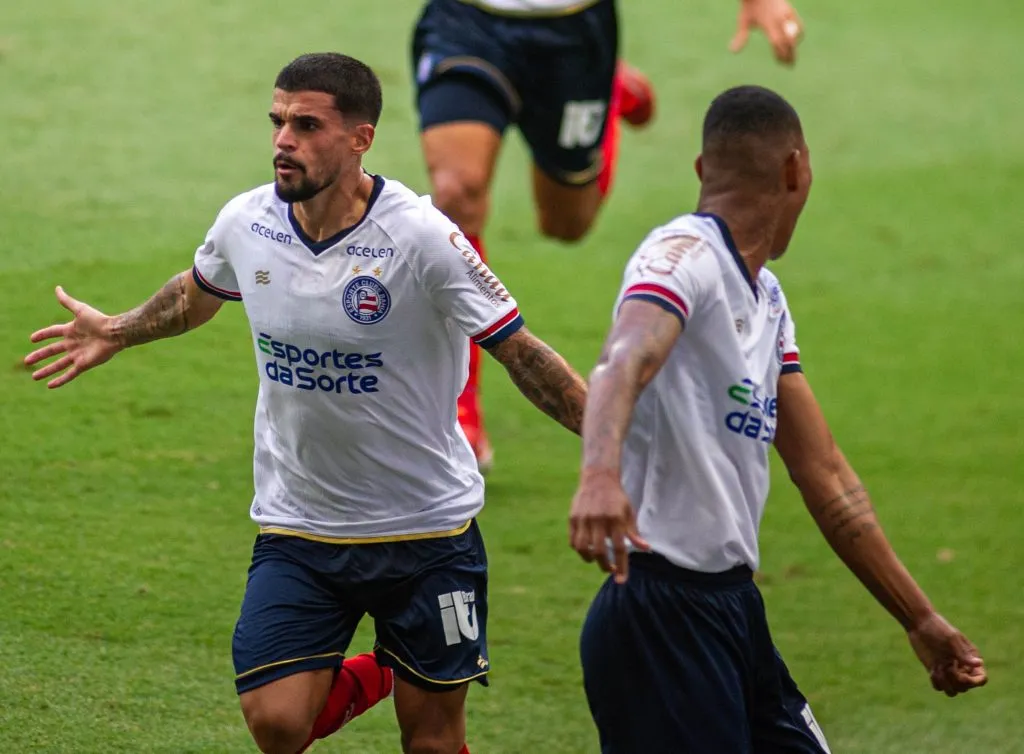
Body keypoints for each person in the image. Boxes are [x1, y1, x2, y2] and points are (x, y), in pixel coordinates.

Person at [24, 52, 587, 754]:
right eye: (278, 121)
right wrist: (116, 329)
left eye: (306, 124)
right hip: (300, 531)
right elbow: (193, 295)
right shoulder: (247, 221)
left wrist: (610, 443)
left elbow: (520, 351)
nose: (283, 140)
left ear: (360, 138)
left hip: (427, 534)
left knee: (434, 740)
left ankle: (403, 665)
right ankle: (388, 668)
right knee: (277, 723)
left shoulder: (420, 237)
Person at [567, 85, 987, 753]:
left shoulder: (765, 296)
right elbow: (623, 358)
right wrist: (598, 476)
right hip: (660, 618)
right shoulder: (684, 255)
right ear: (797, 169)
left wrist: (919, 618)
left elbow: (823, 472)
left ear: (703, 171)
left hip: (731, 612)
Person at [411, 0, 806, 474]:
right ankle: (460, 411)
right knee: (458, 192)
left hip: (574, 32)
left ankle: (610, 94)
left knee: (566, 222)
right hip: (465, 21)